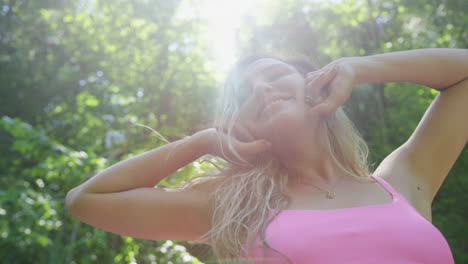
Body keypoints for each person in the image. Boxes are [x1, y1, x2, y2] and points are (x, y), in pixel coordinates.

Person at [66, 48, 467, 264]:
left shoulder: (401, 182)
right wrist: (203, 142)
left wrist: (359, 68)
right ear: (237, 124)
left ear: (318, 86)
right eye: (244, 93)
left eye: (275, 75)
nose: (261, 89)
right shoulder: (236, 208)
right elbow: (88, 201)